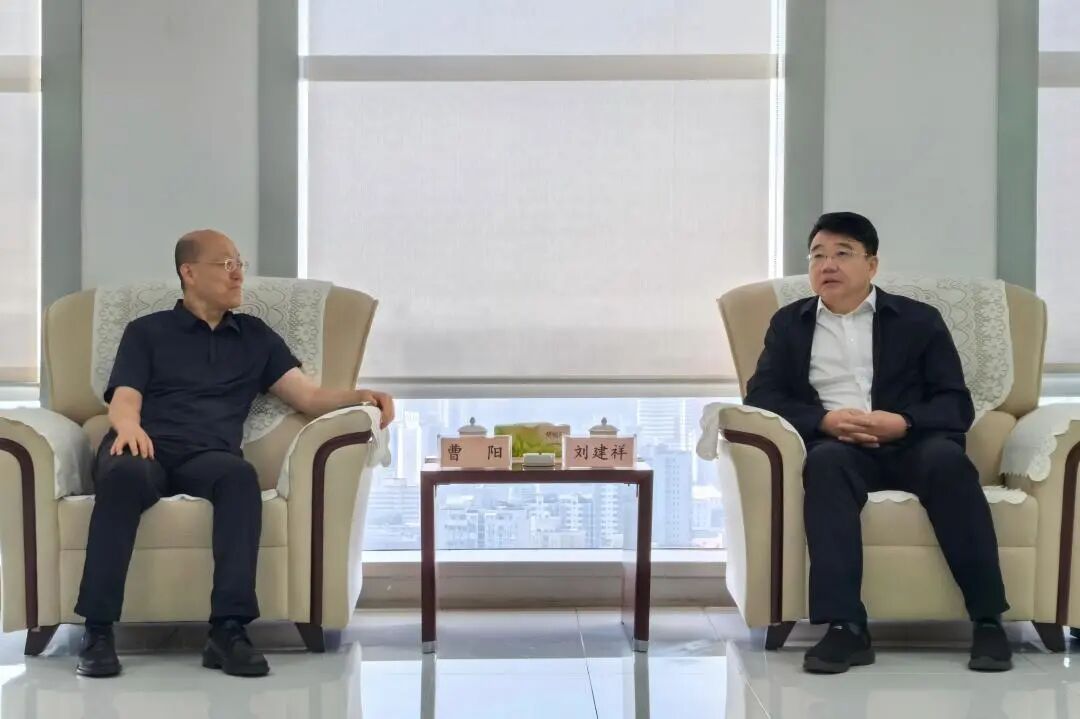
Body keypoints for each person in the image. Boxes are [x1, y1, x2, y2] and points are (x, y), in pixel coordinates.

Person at [74, 229, 395, 678]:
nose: (238, 273)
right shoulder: (147, 331)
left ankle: (228, 630)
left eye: (239, 263)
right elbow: (125, 396)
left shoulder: (255, 337)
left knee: (240, 479)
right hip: (144, 445)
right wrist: (127, 427)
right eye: (226, 264)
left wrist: (361, 396)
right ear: (189, 273)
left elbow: (308, 397)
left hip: (208, 455)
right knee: (123, 477)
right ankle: (97, 631)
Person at [744, 212, 1011, 674]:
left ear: (871, 264)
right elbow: (762, 396)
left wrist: (904, 422)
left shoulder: (919, 320)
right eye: (817, 256)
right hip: (840, 447)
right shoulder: (790, 324)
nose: (827, 265)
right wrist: (824, 420)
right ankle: (845, 627)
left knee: (948, 463)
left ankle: (988, 621)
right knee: (824, 466)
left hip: (914, 444)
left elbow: (955, 404)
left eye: (842, 253)